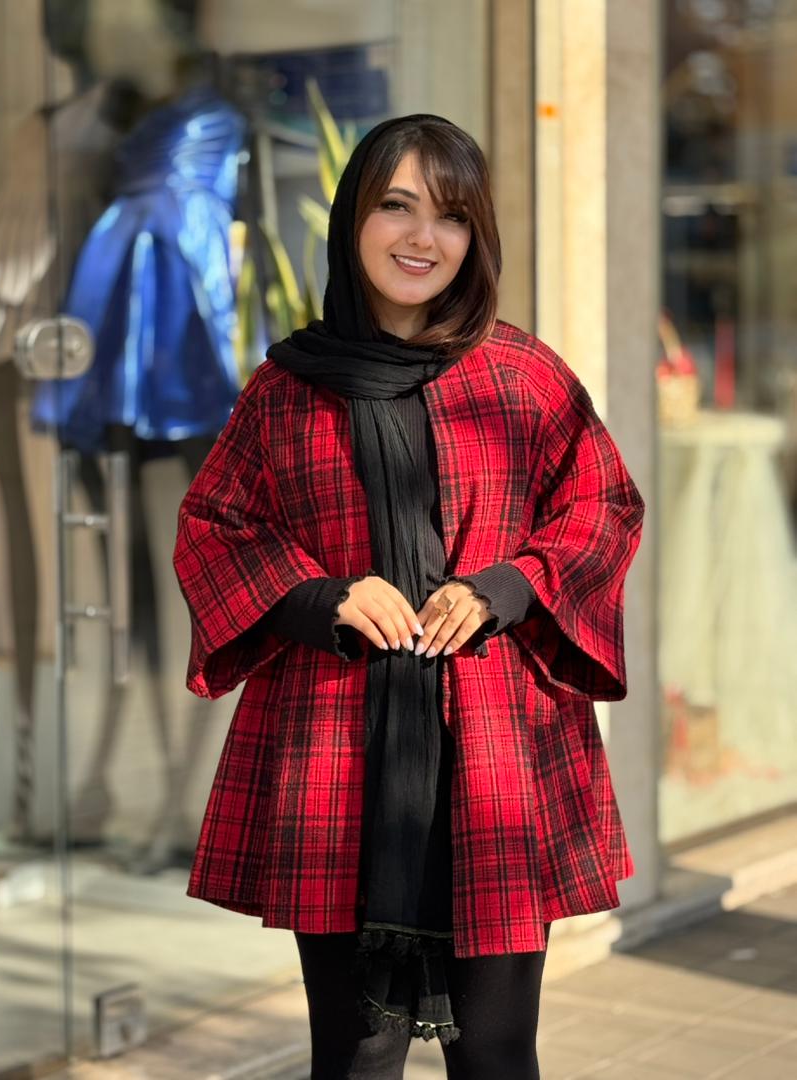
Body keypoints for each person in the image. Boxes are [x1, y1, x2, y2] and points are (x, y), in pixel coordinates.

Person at [173, 113, 645, 1080]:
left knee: (498, 1055)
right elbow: (213, 526)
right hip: (337, 755)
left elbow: (604, 506)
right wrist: (321, 597)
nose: (423, 237)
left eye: (452, 215)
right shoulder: (284, 389)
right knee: (354, 1056)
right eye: (397, 206)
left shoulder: (523, 375)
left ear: (478, 236)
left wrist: (511, 584)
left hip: (497, 753)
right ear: (353, 219)